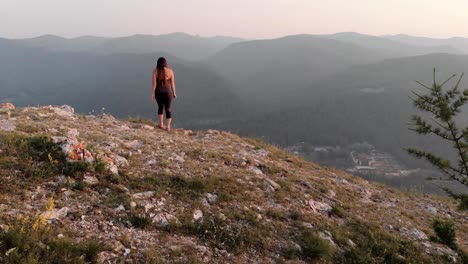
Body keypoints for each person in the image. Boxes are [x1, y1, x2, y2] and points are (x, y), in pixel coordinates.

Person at [152, 57, 177, 130]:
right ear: (165, 63)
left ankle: (161, 124)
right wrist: (174, 93)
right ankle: (168, 126)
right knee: (168, 108)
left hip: (158, 92)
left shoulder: (155, 71)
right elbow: (172, 84)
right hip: (168, 92)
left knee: (160, 107)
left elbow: (154, 84)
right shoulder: (170, 71)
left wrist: (153, 94)